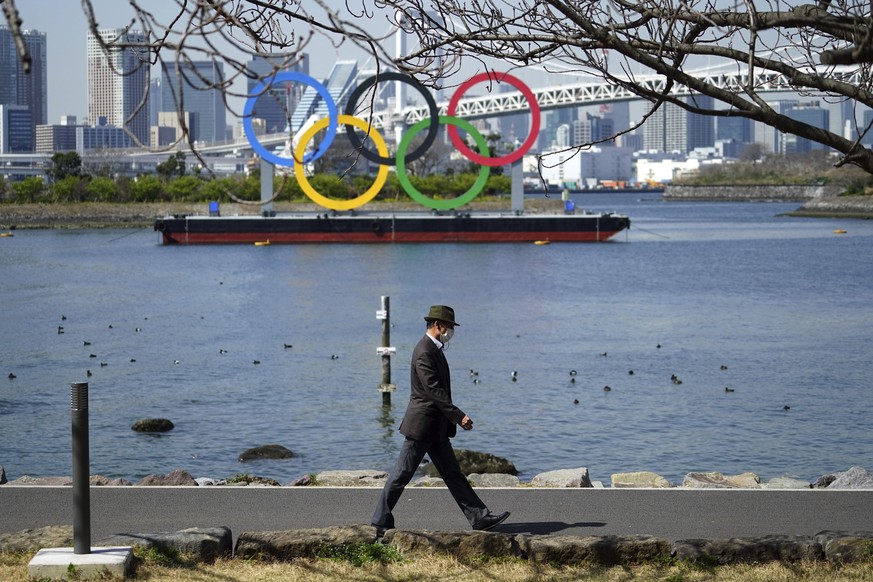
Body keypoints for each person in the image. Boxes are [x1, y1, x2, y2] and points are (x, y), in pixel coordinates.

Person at [371, 305, 510, 537]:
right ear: (438, 325)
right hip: (422, 426)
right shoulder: (424, 351)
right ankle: (380, 520)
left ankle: (479, 517)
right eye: (449, 327)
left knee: (453, 474)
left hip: (435, 428)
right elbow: (434, 392)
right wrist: (459, 416)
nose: (451, 331)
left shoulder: (435, 349)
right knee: (402, 474)